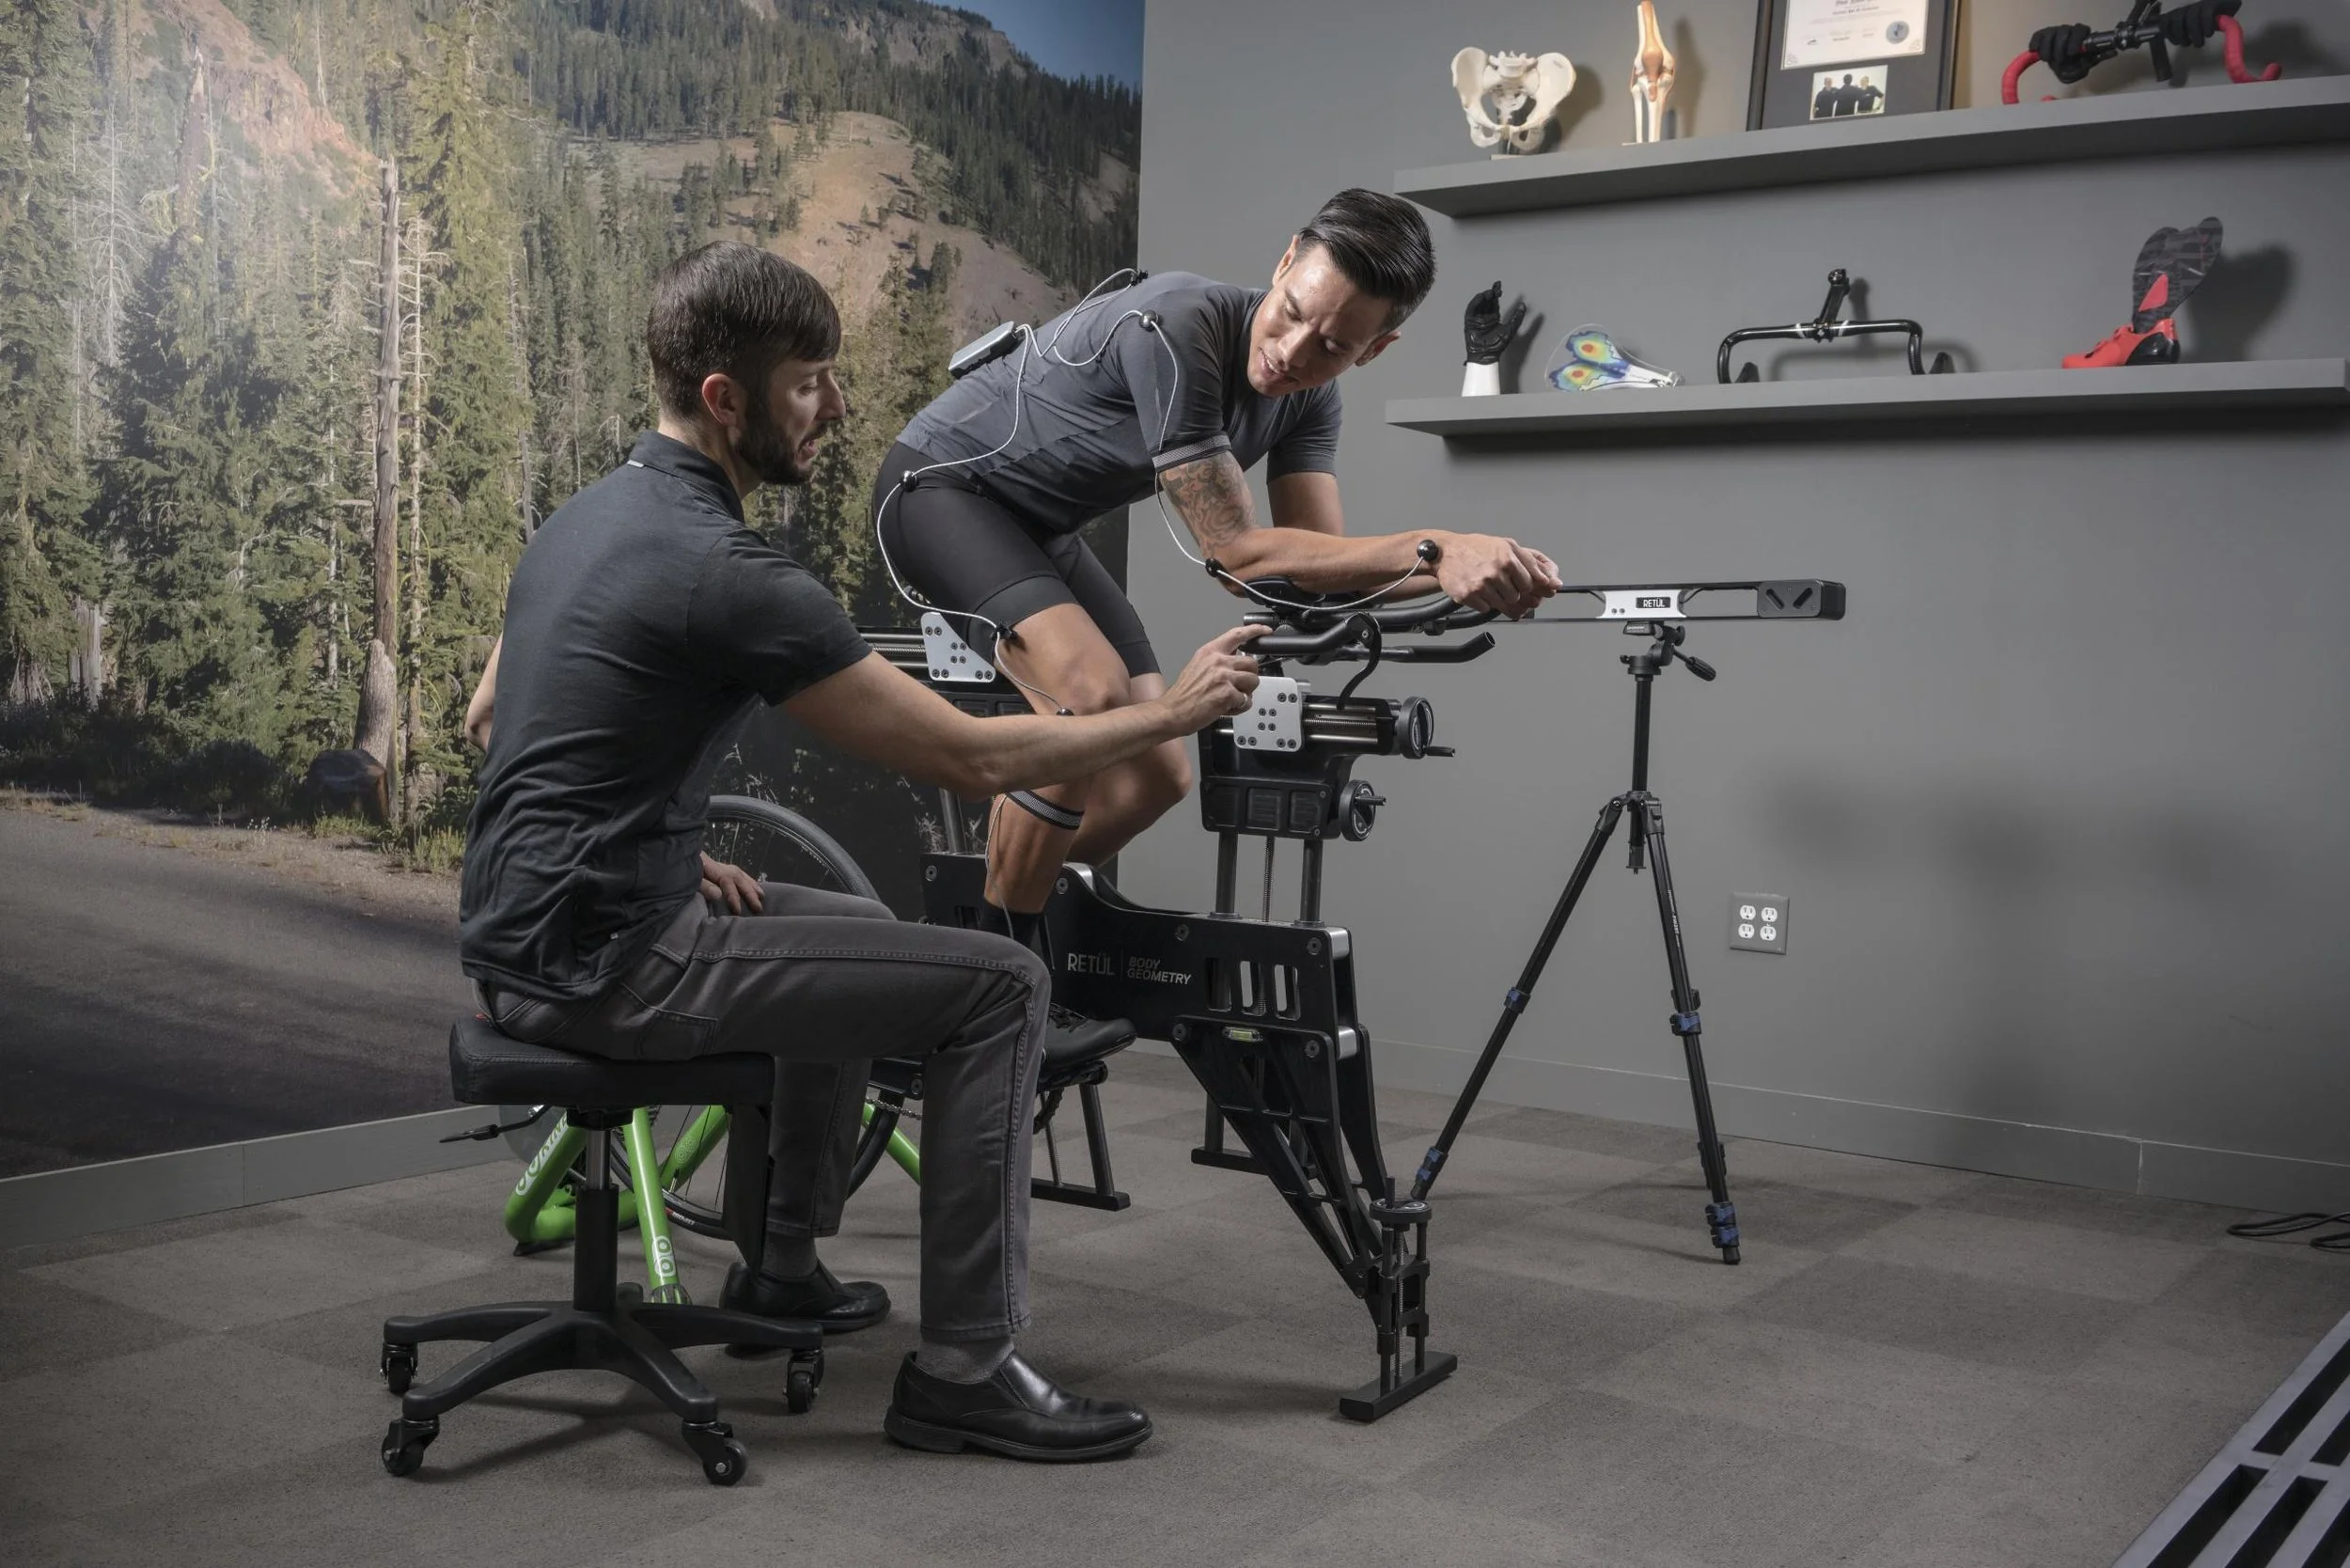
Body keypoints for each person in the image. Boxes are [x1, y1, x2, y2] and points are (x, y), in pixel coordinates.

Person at [459, 242, 1264, 1460]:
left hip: (523, 928)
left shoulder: (586, 515)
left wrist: (665, 854)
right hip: (607, 964)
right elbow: (977, 762)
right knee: (1004, 985)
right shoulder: (734, 572)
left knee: (864, 940)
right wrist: (1176, 713)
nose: (837, 407)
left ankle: (780, 1275)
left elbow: (497, 721)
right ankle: (966, 1371)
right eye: (809, 383)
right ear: (726, 400)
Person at [872, 188, 1562, 1012]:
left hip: (1037, 525)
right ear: (1282, 264)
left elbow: (1312, 572)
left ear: (1375, 351)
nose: (1293, 352)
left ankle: (981, 917)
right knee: (1088, 698)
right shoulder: (1178, 326)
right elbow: (1234, 552)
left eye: (1334, 345)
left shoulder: (1312, 398)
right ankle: (998, 990)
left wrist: (1472, 577)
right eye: (1293, 311)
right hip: (938, 491)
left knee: (1158, 776)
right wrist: (1439, 545)